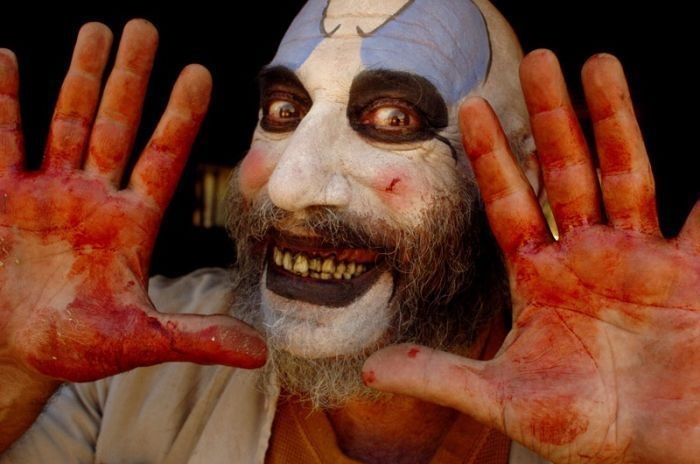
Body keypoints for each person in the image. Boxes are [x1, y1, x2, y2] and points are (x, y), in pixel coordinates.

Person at [1, 0, 698, 463]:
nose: (291, 186)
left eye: (394, 119)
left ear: (522, 178)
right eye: (284, 111)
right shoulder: (126, 361)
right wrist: (13, 375)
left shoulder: (611, 388)